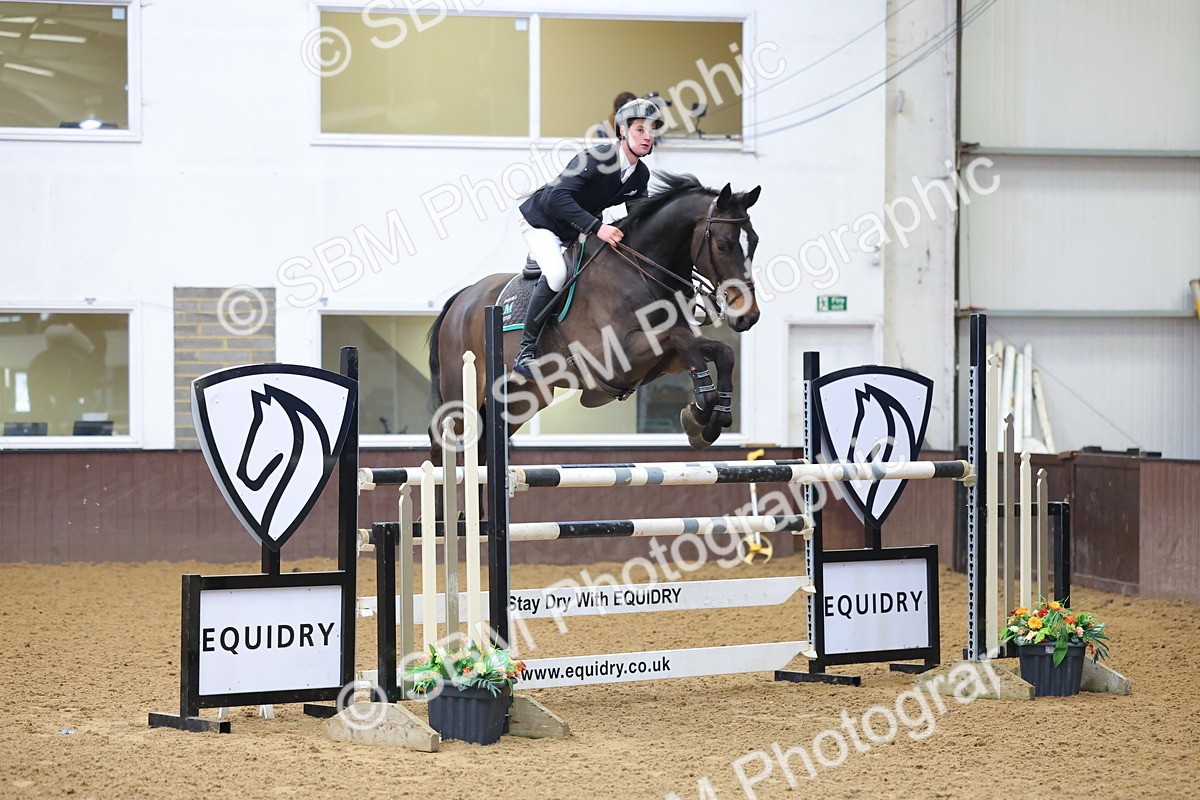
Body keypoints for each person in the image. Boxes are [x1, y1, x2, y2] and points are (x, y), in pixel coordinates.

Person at [514, 97, 663, 378]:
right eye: (640, 129)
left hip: (575, 228)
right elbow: (557, 197)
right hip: (541, 221)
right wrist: (598, 228)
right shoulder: (596, 158)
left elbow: (638, 221)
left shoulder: (639, 174)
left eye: (652, 130)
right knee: (558, 274)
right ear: (622, 131)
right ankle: (526, 350)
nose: (647, 136)